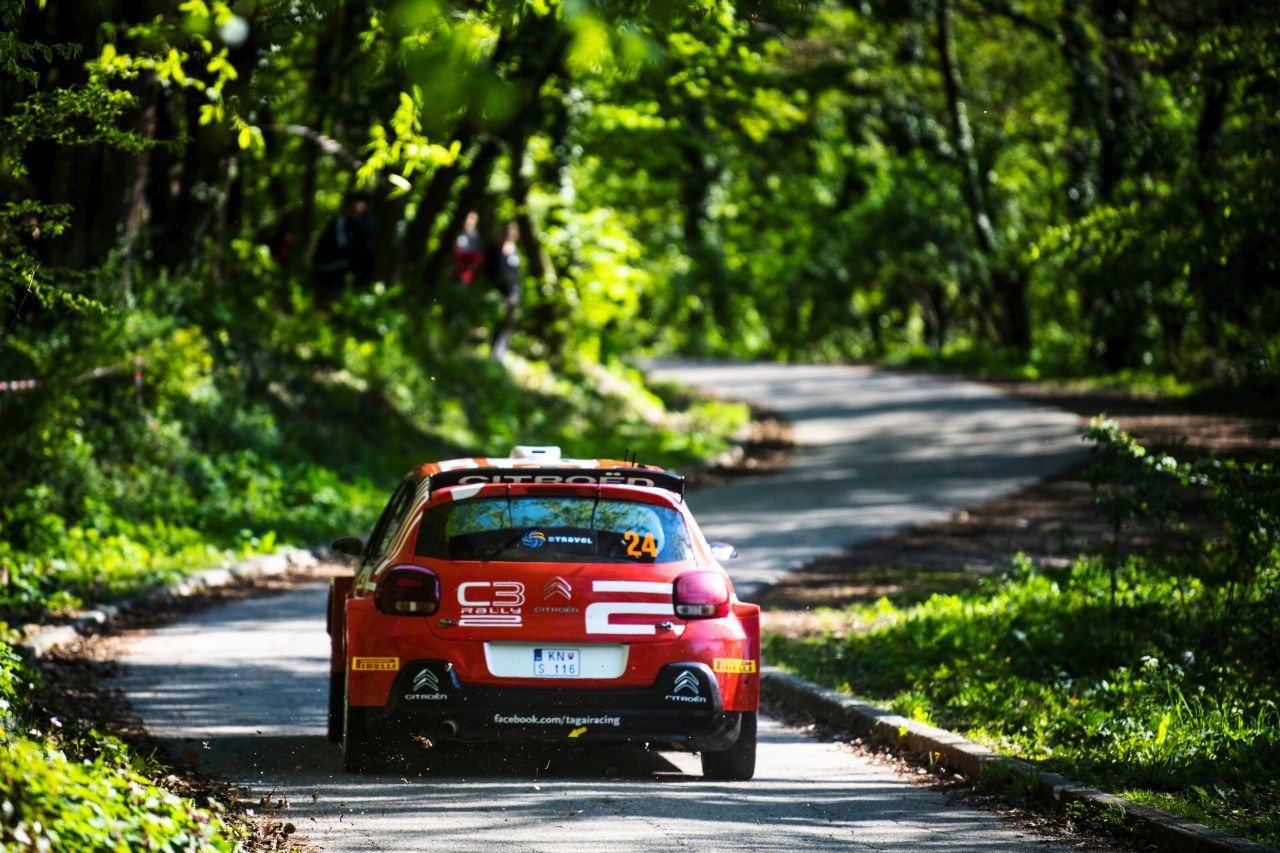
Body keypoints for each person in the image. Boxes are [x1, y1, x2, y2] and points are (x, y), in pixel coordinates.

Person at [313, 194, 375, 302]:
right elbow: (342, 246)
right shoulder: (339, 222)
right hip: (328, 266)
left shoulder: (358, 223)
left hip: (341, 266)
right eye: (357, 206)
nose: (360, 210)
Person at [491, 222, 523, 359]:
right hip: (500, 291)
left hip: (513, 291)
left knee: (508, 323)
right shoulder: (496, 249)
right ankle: (493, 352)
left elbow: (516, 273)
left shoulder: (515, 250)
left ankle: (500, 354)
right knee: (496, 320)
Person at [453, 210, 484, 286]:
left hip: (469, 261)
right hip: (459, 259)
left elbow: (477, 250)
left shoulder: (475, 236)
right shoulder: (461, 233)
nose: (468, 222)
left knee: (466, 277)